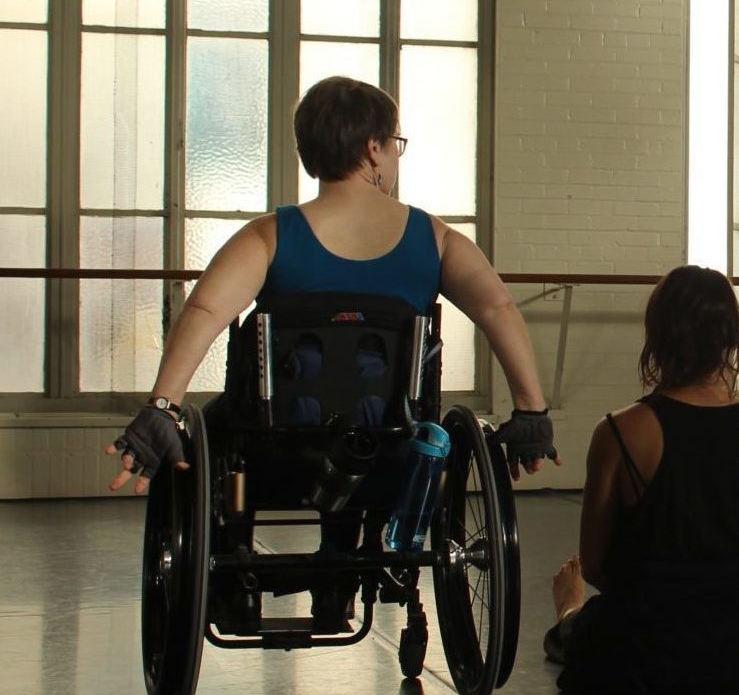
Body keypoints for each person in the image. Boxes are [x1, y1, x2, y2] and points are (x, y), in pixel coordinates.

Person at [104, 76, 559, 625]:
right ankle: (341, 566)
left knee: (211, 430)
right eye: (396, 144)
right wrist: (530, 411)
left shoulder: (270, 236)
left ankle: (237, 572)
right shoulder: (434, 239)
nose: (394, 156)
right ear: (373, 148)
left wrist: (163, 407)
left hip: (275, 448)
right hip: (393, 449)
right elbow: (497, 310)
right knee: (375, 422)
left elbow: (203, 311)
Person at [545, 265, 739, 695]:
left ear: (657, 336)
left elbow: (597, 565)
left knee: (575, 626)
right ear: (730, 340)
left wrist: (576, 600)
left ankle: (568, 608)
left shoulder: (617, 432)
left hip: (644, 649)